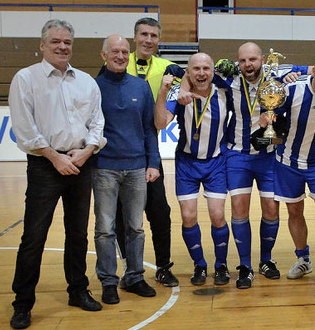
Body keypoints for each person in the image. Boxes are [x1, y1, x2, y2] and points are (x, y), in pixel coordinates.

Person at [8, 20, 106, 329]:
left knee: (78, 234)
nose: (62, 46)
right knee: (34, 236)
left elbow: (97, 124)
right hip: (45, 166)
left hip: (81, 162)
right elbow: (25, 129)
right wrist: (54, 157)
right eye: (55, 41)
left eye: (66, 42)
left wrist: (86, 151)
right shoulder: (26, 79)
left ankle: (77, 290)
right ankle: (22, 303)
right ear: (42, 45)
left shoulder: (87, 82)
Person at [220, 43, 309, 289]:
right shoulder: (228, 80)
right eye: (243, 61)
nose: (248, 65)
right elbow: (191, 75)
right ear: (238, 62)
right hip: (237, 154)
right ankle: (245, 265)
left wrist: (297, 73)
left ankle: (266, 261)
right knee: (239, 209)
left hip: (269, 154)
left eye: (253, 59)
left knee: (271, 209)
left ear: (262, 59)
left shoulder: (277, 75)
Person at [115, 17, 185, 288]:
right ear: (135, 37)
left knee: (159, 212)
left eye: (153, 35)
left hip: (148, 148)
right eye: (143, 34)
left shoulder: (168, 67)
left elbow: (197, 75)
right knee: (122, 216)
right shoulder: (119, 61)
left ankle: (164, 266)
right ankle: (129, 267)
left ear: (159, 40)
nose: (148, 40)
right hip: (119, 151)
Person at [92, 35, 159, 305]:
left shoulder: (141, 87)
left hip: (136, 168)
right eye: (114, 52)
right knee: (105, 229)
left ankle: (134, 276)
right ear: (103, 55)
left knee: (136, 228)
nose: (120, 56)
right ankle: (108, 281)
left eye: (124, 51)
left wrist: (153, 161)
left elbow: (149, 129)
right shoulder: (93, 87)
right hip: (104, 168)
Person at [155, 53, 231, 286]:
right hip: (187, 162)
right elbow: (160, 123)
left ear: (212, 71)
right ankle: (199, 264)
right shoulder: (177, 95)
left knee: (217, 215)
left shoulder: (224, 91)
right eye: (195, 69)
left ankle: (221, 265)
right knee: (188, 216)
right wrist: (163, 92)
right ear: (188, 71)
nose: (201, 73)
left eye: (206, 68)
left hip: (216, 161)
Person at [271, 54, 315, 298]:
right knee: (294, 212)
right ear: (313, 71)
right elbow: (269, 106)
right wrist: (266, 118)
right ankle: (303, 259)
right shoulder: (292, 89)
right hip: (287, 161)